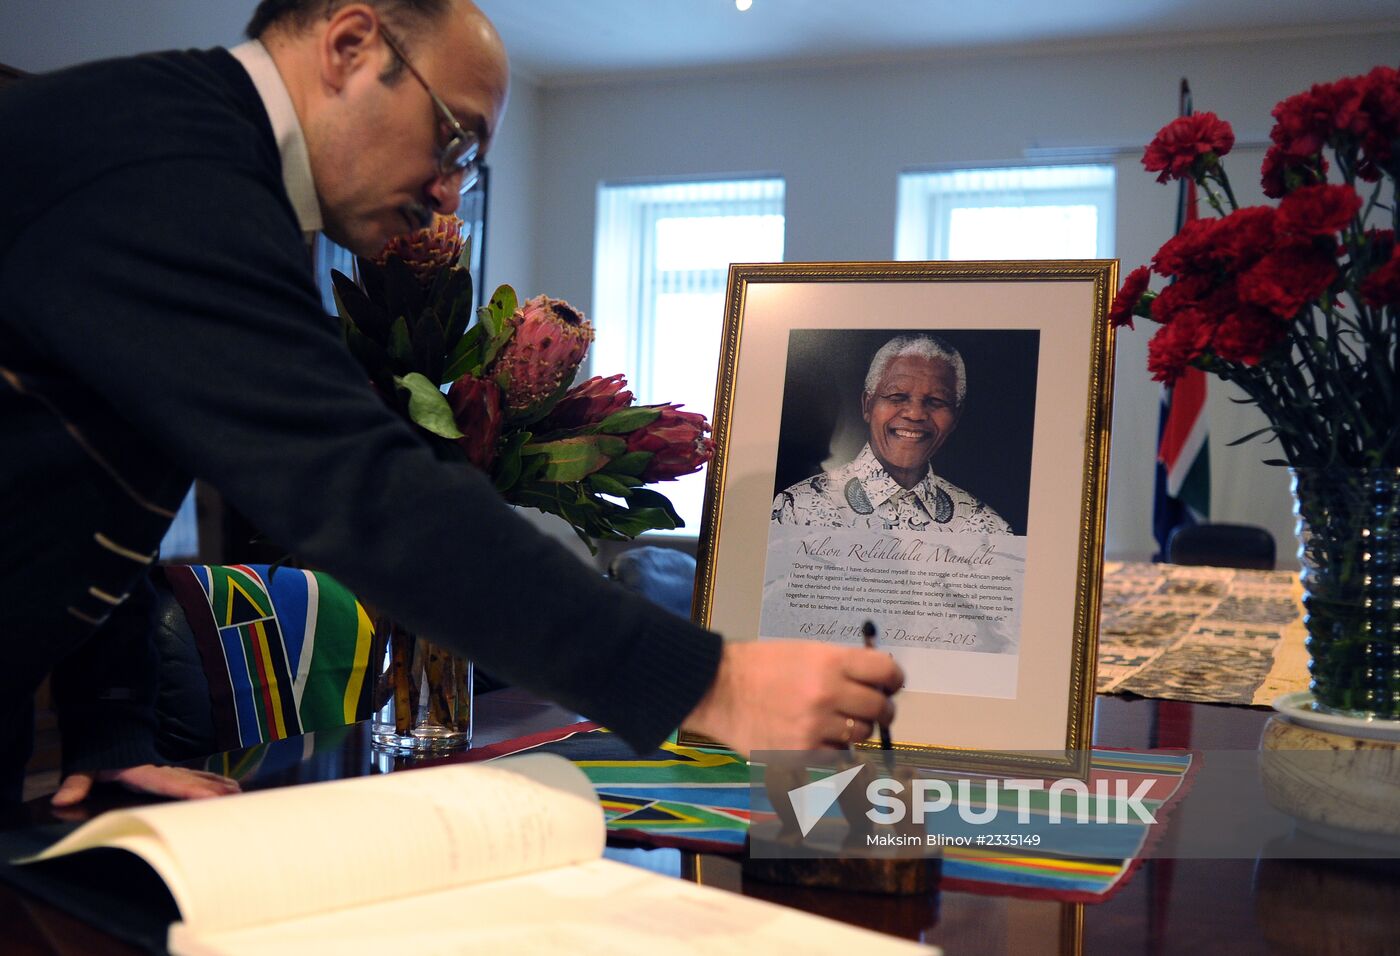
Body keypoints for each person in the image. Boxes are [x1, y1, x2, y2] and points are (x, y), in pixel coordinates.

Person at [0, 0, 902, 804]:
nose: (449, 192)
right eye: (453, 139)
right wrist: (716, 687)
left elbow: (86, 480)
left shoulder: (196, 168)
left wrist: (112, 730)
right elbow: (360, 490)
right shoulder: (176, 170)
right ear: (351, 44)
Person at [772, 334, 1011, 533]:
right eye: (896, 397)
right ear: (867, 405)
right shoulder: (796, 510)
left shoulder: (988, 530)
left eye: (936, 401)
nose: (916, 414)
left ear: (955, 417)